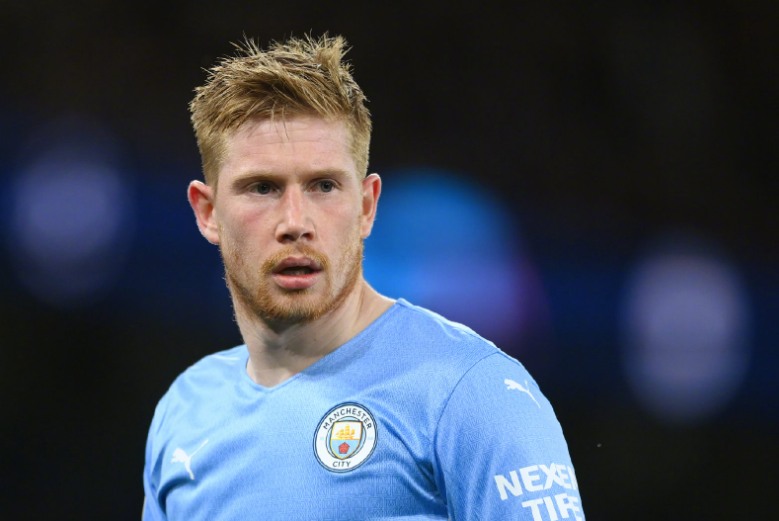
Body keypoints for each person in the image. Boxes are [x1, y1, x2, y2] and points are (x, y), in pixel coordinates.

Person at [142, 35, 585, 521]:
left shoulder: (471, 390)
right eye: (262, 187)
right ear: (207, 213)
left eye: (324, 186)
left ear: (367, 207)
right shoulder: (184, 413)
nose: (295, 222)